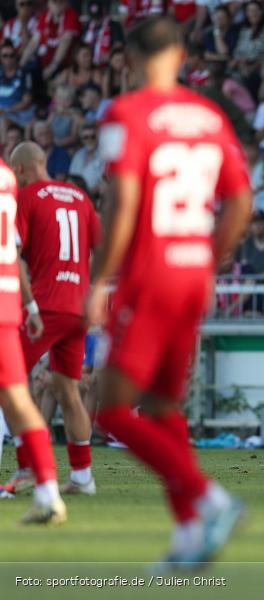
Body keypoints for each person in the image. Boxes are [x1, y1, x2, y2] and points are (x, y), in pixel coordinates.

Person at [88, 17, 252, 566]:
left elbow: (125, 203)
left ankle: (210, 498)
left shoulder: (125, 113)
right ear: (181, 54)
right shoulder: (209, 115)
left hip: (149, 275)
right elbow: (240, 201)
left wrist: (101, 280)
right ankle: (187, 534)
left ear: (130, 58)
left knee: (108, 410)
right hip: (192, 274)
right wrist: (208, 259)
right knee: (161, 407)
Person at [2, 141, 100, 499]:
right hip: (79, 308)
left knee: (10, 383)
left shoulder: (27, 197)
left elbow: (12, 253)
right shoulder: (80, 197)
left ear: (24, 169)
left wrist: (27, 305)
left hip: (45, 307)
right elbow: (99, 248)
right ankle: (83, 476)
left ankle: (28, 466)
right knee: (67, 389)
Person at [0, 146, 66, 519]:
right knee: (17, 398)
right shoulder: (8, 180)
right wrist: (29, 306)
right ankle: (47, 490)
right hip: (7, 302)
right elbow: (13, 253)